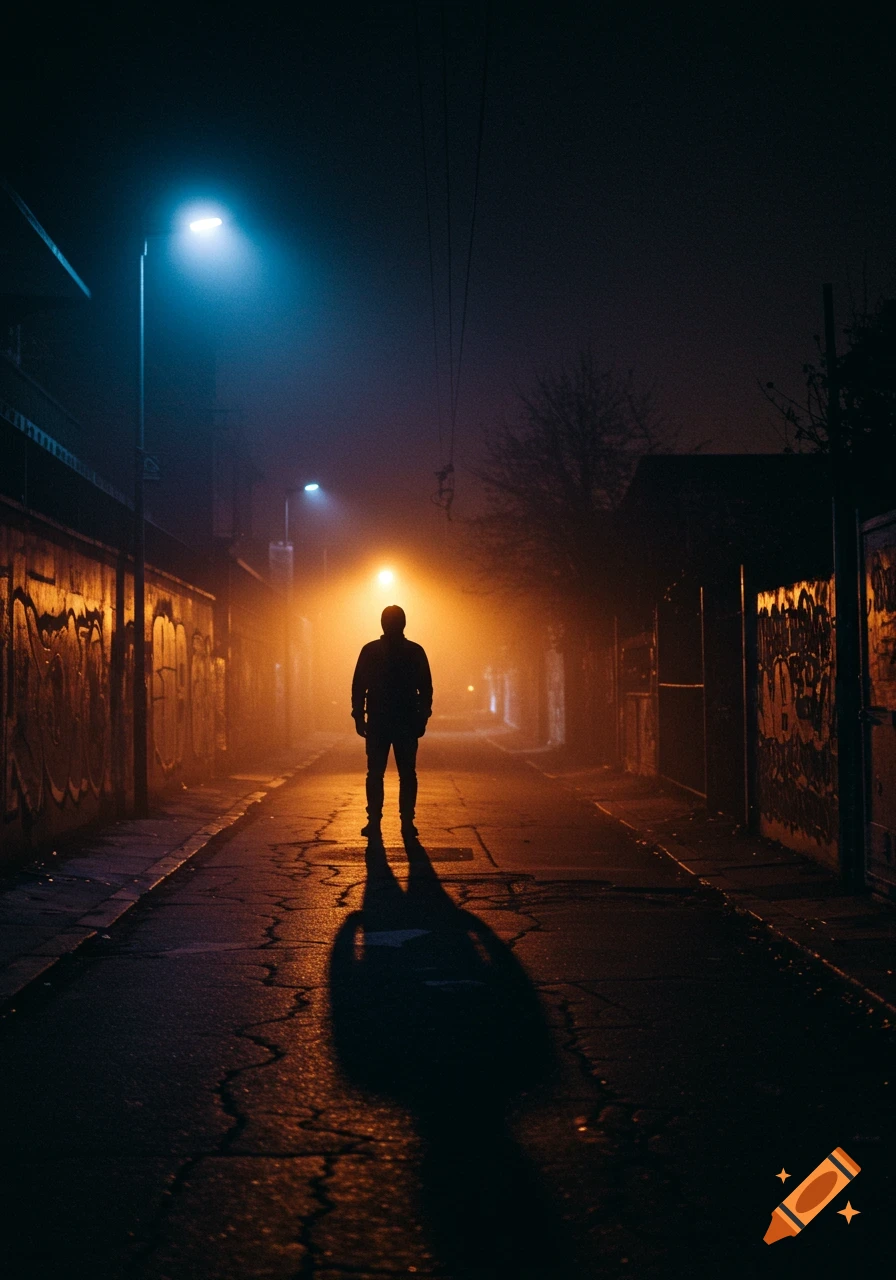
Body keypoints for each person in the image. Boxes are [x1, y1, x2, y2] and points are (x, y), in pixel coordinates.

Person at [351, 605, 432, 838]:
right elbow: (425, 688)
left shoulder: (370, 651)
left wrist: (359, 714)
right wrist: (422, 717)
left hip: (379, 720)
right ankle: (406, 823)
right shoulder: (415, 652)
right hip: (405, 721)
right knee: (407, 774)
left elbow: (359, 686)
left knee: (375, 773)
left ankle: (374, 822)